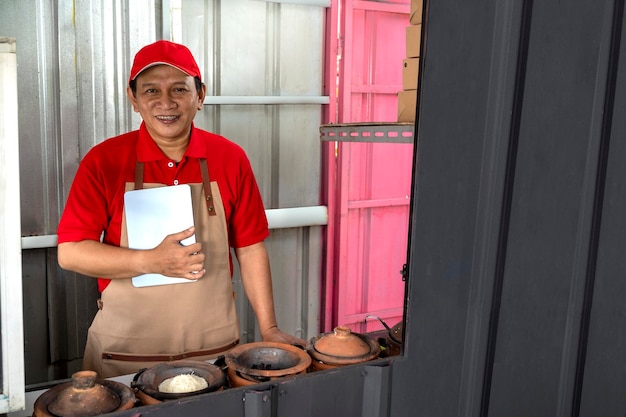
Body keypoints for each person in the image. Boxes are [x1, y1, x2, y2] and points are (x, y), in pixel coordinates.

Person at [57, 39, 304, 378]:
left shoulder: (230, 158)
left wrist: (270, 327)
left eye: (179, 89)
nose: (165, 103)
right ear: (133, 99)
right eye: (150, 91)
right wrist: (150, 261)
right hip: (124, 356)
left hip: (214, 352)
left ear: (200, 96)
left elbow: (249, 248)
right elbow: (70, 253)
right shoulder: (104, 162)